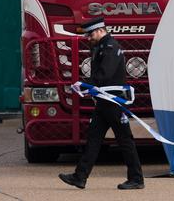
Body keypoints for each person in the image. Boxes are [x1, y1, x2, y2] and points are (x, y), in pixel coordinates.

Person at [59, 17, 144, 190]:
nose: (88, 38)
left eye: (90, 34)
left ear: (99, 31)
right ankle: (80, 176)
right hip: (104, 102)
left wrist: (88, 85)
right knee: (94, 139)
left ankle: (136, 178)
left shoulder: (110, 48)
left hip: (112, 102)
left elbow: (104, 75)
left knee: (125, 140)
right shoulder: (102, 47)